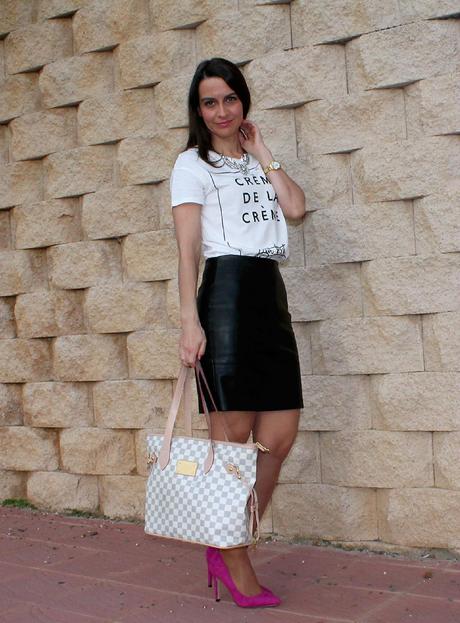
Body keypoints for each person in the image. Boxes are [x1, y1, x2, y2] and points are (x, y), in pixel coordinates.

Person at [170, 57, 306, 608]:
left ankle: (227, 539)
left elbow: (295, 207)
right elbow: (187, 251)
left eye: (230, 98)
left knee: (279, 435)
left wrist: (263, 151)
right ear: (198, 110)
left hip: (269, 297)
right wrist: (190, 321)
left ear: (243, 102)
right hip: (224, 298)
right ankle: (233, 557)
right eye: (210, 102)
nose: (221, 111)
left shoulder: (255, 162)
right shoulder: (191, 165)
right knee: (231, 442)